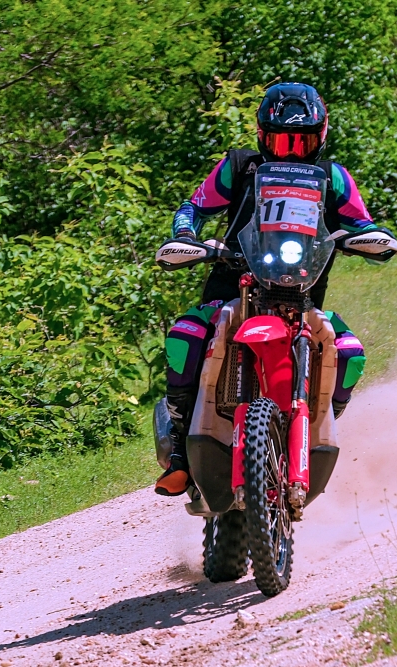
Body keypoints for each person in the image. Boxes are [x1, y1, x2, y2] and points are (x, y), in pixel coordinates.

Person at [155, 82, 380, 496]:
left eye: (303, 141)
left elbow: (362, 222)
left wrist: (370, 236)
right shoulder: (238, 167)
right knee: (186, 334)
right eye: (282, 141)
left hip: (303, 297)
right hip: (233, 289)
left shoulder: (335, 178)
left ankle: (312, 428)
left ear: (321, 136)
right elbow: (195, 206)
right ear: (262, 136)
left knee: (350, 352)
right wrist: (188, 233)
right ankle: (181, 455)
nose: (292, 151)